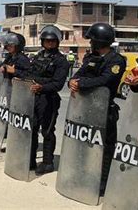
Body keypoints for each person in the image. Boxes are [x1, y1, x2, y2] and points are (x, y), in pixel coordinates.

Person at [69, 22, 126, 193]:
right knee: (87, 145)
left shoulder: (116, 60)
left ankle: (103, 182)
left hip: (105, 110)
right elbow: (78, 75)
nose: (90, 43)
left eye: (92, 40)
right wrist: (72, 82)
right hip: (87, 109)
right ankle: (86, 174)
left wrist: (81, 83)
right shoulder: (90, 58)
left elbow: (105, 80)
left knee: (106, 147)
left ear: (100, 41)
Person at [26, 25, 70, 175]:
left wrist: (42, 87)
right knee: (31, 129)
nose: (50, 44)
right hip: (34, 97)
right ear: (42, 42)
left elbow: (58, 84)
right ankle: (30, 160)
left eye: (53, 41)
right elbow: (30, 74)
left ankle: (47, 162)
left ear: (57, 42)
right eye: (47, 41)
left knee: (47, 131)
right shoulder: (38, 57)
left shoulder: (61, 61)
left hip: (48, 99)